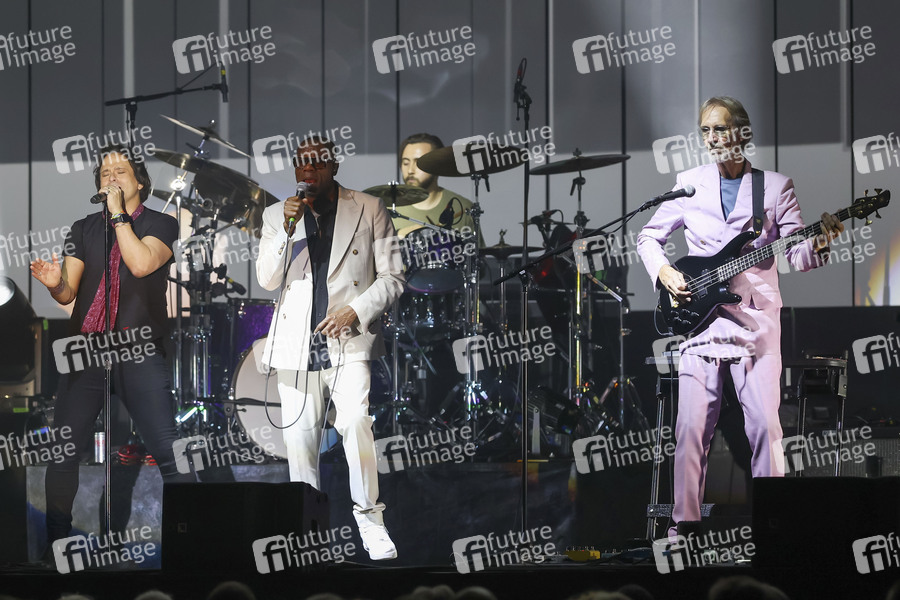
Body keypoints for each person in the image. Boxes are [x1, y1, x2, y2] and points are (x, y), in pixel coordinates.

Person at [636, 97, 844, 537]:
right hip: (700, 321)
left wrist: (821, 241)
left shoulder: (775, 187)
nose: (711, 139)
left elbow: (798, 255)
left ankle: (775, 529)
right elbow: (648, 236)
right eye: (705, 131)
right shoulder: (689, 184)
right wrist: (665, 272)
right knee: (690, 430)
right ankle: (682, 529)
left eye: (719, 129)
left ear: (742, 133)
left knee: (766, 429)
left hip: (755, 324)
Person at [30, 146, 194, 546]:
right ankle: (58, 546)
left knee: (167, 448)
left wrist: (119, 215)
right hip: (87, 350)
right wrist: (55, 283)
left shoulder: (162, 223)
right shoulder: (84, 228)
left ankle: (190, 542)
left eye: (120, 171)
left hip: (138, 348)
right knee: (64, 451)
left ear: (140, 182)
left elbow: (140, 263)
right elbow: (69, 293)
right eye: (105, 173)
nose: (111, 177)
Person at [256, 134, 404, 560]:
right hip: (296, 343)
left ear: (334, 167)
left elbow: (393, 277)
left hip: (346, 339)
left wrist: (355, 311)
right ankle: (307, 535)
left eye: (318, 163)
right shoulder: (276, 215)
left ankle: (370, 520)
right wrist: (287, 228)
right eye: (302, 163)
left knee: (356, 421)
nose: (309, 170)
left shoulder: (370, 208)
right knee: (300, 443)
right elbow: (267, 278)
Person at [393, 132, 483, 246]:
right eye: (405, 163)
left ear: (437, 165)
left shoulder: (463, 208)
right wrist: (397, 235)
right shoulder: (390, 210)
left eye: (418, 162)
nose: (410, 170)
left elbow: (477, 255)